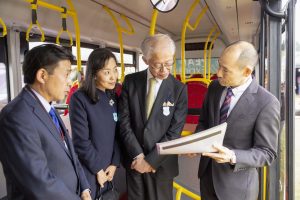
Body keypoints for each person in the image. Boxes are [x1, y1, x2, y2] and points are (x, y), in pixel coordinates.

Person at [0, 44, 91, 200]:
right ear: (42, 75)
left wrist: (84, 188)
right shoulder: (16, 116)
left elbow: (71, 154)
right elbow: (38, 183)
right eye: (66, 74)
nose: (70, 82)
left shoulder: (49, 108)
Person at [195, 41, 280, 200]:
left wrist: (233, 156)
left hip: (237, 189)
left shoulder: (267, 103)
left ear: (247, 71)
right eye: (219, 65)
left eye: (225, 70)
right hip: (207, 178)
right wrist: (196, 142)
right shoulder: (214, 87)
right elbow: (204, 122)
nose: (218, 73)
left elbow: (267, 153)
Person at [118, 34, 188, 200]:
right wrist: (139, 156)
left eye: (169, 63)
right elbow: (124, 121)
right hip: (134, 161)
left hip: (161, 164)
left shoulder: (179, 89)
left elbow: (174, 132)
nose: (164, 70)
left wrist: (150, 161)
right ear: (145, 59)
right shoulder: (131, 81)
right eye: (157, 65)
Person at [69, 48, 120, 200]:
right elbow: (81, 142)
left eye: (115, 70)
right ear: (94, 74)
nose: (113, 77)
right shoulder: (79, 99)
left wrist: (114, 164)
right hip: (89, 169)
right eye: (106, 72)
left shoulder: (113, 96)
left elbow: (118, 133)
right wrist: (98, 169)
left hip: (109, 169)